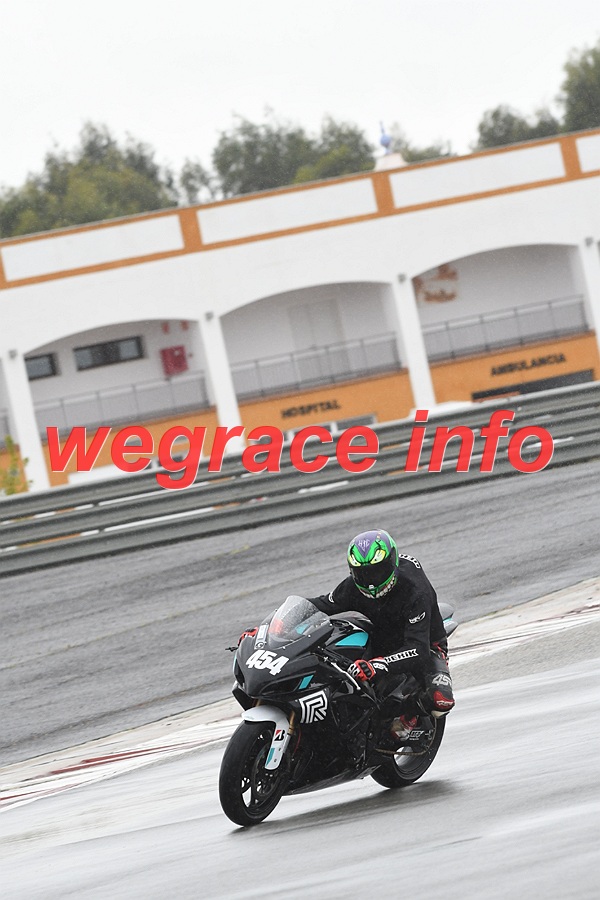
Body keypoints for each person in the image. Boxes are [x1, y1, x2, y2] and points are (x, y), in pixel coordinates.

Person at [307, 528, 455, 744]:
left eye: (377, 572)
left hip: (424, 643)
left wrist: (376, 666)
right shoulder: (352, 587)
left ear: (392, 564)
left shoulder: (415, 590)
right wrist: (274, 624)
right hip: (380, 637)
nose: (371, 582)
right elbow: (320, 605)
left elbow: (418, 649)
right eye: (363, 574)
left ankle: (410, 714)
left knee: (441, 700)